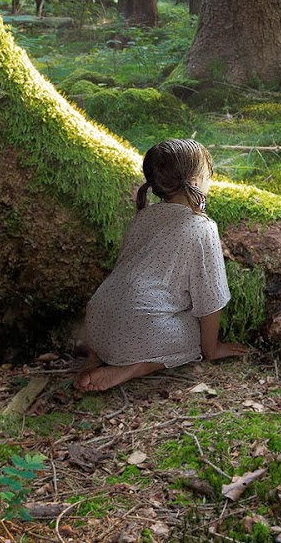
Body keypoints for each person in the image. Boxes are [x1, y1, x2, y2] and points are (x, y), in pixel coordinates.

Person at [76, 139, 248, 392]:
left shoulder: (143, 216)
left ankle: (96, 357)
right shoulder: (202, 227)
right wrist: (212, 349)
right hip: (142, 330)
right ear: (197, 181)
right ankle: (129, 369)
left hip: (96, 320)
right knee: (192, 334)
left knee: (135, 316)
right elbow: (211, 299)